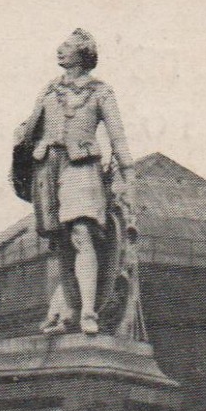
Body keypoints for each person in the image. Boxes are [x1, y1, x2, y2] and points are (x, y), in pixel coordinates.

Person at [13, 28, 140, 338]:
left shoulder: (101, 92)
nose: (59, 49)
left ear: (83, 54)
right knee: (60, 243)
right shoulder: (48, 90)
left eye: (67, 46)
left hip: (81, 166)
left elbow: (117, 137)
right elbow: (29, 131)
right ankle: (66, 310)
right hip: (47, 169)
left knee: (82, 232)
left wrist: (128, 179)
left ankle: (88, 311)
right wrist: (22, 137)